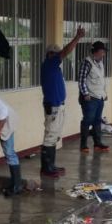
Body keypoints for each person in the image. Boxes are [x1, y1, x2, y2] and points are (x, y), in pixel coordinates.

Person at [39, 26, 85, 177]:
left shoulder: (54, 67)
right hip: (53, 107)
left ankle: (51, 165)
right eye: (56, 53)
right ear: (50, 54)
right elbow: (65, 51)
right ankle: (46, 168)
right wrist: (77, 38)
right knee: (51, 135)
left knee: (55, 135)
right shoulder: (49, 63)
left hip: (58, 106)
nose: (59, 55)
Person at [77, 40, 110, 153]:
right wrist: (85, 94)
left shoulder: (100, 64)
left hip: (99, 98)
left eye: (104, 52)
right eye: (102, 52)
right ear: (96, 52)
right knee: (87, 121)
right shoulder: (87, 63)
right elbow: (81, 80)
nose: (103, 54)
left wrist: (104, 94)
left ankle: (97, 143)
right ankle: (83, 145)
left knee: (97, 120)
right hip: (90, 99)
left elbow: (101, 81)